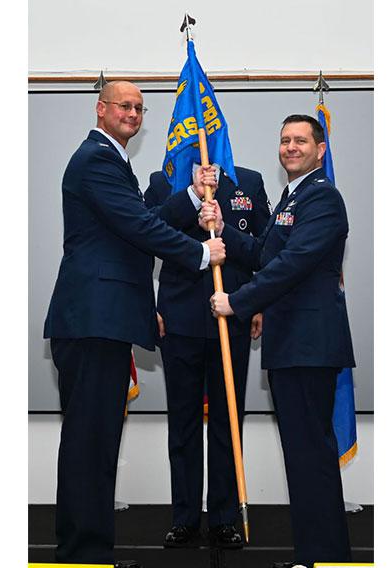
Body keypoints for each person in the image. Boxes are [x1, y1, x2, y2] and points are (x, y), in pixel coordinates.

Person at [43, 81, 225, 566]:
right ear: (101, 109)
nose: (134, 114)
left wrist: (189, 194)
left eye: (141, 108)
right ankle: (83, 556)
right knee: (89, 444)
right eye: (125, 105)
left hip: (106, 319)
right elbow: (138, 227)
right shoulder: (96, 159)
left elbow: (139, 220)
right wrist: (200, 253)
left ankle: (91, 553)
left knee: (98, 444)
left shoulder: (112, 160)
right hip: (93, 320)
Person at [203, 114, 356, 568]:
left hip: (311, 344)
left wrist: (238, 302)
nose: (290, 147)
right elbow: (262, 254)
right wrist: (222, 225)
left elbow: (293, 263)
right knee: (302, 457)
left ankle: (325, 559)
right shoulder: (291, 197)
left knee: (312, 457)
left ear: (320, 149)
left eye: (301, 141)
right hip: (290, 346)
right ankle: (313, 556)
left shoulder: (323, 198)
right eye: (285, 140)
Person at [144, 164, 270, 549]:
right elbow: (143, 236)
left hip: (231, 319)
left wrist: (258, 302)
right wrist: (149, 305)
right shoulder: (165, 179)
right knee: (182, 422)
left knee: (227, 422)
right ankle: (184, 518)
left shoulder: (247, 181)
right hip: (178, 320)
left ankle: (224, 518)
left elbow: (264, 251)